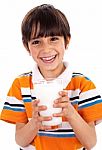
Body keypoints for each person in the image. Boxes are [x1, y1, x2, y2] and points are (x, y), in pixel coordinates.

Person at [1, 4, 102, 150]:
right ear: (26, 46)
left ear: (66, 41)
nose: (46, 49)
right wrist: (34, 122)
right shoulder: (21, 84)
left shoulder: (82, 85)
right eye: (36, 42)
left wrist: (71, 114)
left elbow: (91, 142)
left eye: (53, 39)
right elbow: (20, 141)